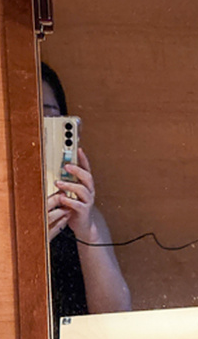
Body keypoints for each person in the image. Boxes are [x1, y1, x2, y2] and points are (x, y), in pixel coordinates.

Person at [42, 63, 131, 322]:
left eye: (50, 119)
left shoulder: (81, 215)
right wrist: (29, 245)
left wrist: (86, 229)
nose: (39, 132)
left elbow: (116, 317)